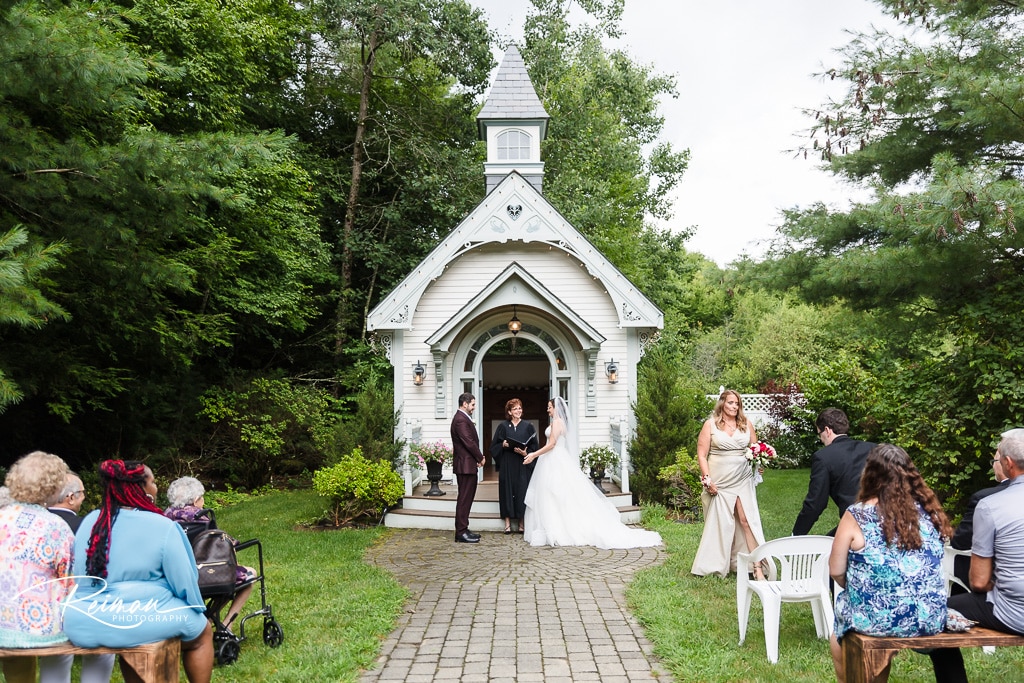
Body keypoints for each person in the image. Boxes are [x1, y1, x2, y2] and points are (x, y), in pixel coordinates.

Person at [63, 460, 214, 683]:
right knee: (202, 633)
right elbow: (184, 582)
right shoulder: (162, 526)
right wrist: (196, 610)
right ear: (141, 488)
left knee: (132, 637)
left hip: (84, 621)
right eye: (153, 482)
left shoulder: (91, 521)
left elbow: (79, 576)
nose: (156, 487)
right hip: (140, 619)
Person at [828, 444, 951, 683]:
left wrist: (861, 586)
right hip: (928, 616)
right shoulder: (930, 512)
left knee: (843, 616)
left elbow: (836, 570)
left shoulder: (857, 515)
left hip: (877, 618)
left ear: (870, 474)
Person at [0, 451, 114, 683]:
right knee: (92, 635)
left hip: (3, 626)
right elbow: (70, 580)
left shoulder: (2, 517)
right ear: (53, 485)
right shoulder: (55, 526)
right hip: (40, 629)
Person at [928, 429, 1024, 683]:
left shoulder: (991, 506)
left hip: (1014, 612)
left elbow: (979, 582)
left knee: (934, 611)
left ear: (1008, 463)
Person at [521, 397, 661, 548]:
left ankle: (556, 530)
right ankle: (553, 528)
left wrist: (534, 455)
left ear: (556, 408)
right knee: (554, 494)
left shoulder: (556, 423)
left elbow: (553, 444)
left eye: (549, 407)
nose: (548, 410)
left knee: (554, 492)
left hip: (554, 459)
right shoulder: (561, 423)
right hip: (555, 459)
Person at [691, 390, 766, 578]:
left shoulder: (746, 424)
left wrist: (760, 464)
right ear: (722, 403)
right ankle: (715, 565)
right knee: (722, 522)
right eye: (731, 403)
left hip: (742, 478)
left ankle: (756, 567)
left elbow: (756, 450)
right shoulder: (710, 425)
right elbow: (702, 454)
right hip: (720, 481)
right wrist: (707, 479)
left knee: (746, 520)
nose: (734, 407)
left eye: (737, 404)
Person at [164, 476, 256, 631]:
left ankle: (206, 620)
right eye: (202, 497)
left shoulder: (163, 519)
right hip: (202, 578)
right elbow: (226, 546)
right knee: (248, 574)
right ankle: (226, 623)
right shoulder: (202, 520)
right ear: (195, 501)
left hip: (172, 580)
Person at [793, 408, 875, 536]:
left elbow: (815, 504)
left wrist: (797, 534)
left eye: (819, 434)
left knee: (828, 551)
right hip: (887, 519)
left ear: (827, 430)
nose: (821, 439)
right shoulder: (873, 448)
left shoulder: (823, 457)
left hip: (855, 524)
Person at [948, 441, 1010, 593]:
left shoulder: (985, 499)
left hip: (999, 586)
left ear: (1006, 463)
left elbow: (960, 542)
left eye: (995, 461)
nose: (993, 465)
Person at [489, 398, 537, 534]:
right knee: (506, 491)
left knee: (522, 490)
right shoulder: (503, 427)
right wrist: (502, 445)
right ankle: (508, 523)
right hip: (507, 463)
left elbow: (535, 446)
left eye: (520, 408)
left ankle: (522, 523)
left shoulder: (528, 426)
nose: (518, 411)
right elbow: (494, 446)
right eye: (515, 409)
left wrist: (526, 452)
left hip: (522, 463)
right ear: (509, 412)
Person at [451, 393, 485, 543]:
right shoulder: (460, 420)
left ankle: (464, 528)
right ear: (464, 404)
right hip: (464, 465)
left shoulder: (462, 418)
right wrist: (480, 457)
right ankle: (461, 532)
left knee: (466, 498)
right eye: (472, 404)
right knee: (464, 499)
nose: (474, 407)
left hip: (467, 464)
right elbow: (469, 442)